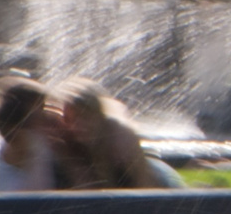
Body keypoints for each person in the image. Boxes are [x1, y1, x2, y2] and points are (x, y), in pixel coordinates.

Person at [54, 79, 183, 189]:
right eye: (70, 119)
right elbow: (86, 192)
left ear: (98, 116)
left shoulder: (120, 136)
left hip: (156, 174)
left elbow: (147, 187)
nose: (77, 126)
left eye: (85, 117)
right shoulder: (63, 136)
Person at [0, 78, 60, 193]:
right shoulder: (25, 140)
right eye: (41, 107)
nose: (44, 113)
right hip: (23, 206)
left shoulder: (24, 138)